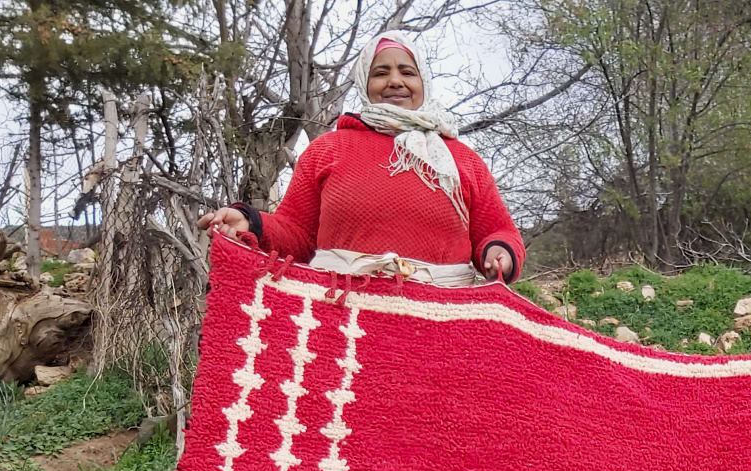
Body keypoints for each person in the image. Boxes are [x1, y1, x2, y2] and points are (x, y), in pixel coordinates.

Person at [197, 30, 523, 287]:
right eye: (381, 73)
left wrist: (499, 252)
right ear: (365, 83)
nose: (395, 81)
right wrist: (252, 223)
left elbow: (498, 230)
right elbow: (297, 234)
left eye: (407, 72)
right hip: (341, 310)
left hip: (445, 319)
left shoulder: (462, 160)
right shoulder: (328, 149)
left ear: (423, 81)